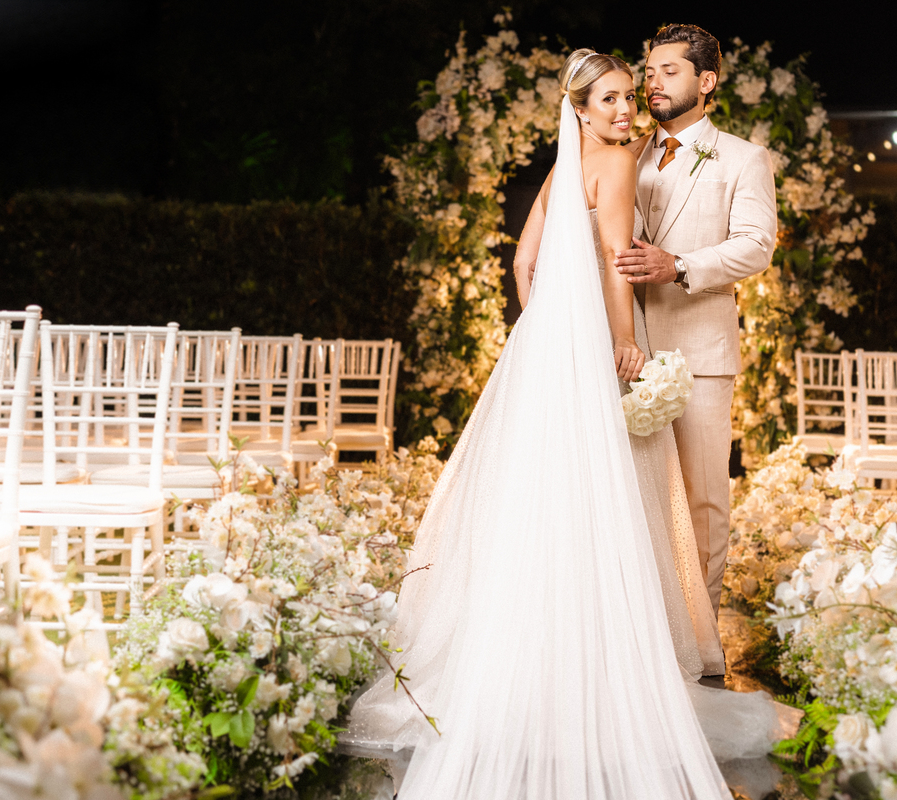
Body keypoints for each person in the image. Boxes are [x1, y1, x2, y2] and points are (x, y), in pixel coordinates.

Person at [342, 49, 787, 800]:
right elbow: (614, 261)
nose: (636, 98)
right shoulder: (618, 157)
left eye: (649, 82)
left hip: (597, 349)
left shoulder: (706, 159)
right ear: (581, 108)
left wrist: (552, 316)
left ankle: (673, 649)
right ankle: (623, 662)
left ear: (706, 80)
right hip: (611, 346)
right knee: (616, 505)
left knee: (624, 500)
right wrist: (618, 337)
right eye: (619, 91)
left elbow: (529, 261)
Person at [616, 24, 778, 640]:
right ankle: (643, 638)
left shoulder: (742, 157)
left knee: (703, 499)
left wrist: (679, 266)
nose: (653, 82)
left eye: (670, 71)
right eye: (649, 72)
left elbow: (756, 245)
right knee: (632, 497)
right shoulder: (624, 153)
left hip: (701, 354)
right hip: (625, 350)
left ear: (706, 81)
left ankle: (702, 642)